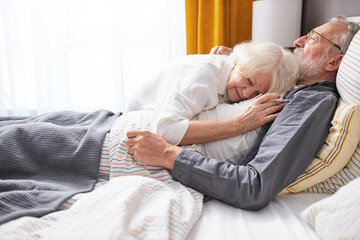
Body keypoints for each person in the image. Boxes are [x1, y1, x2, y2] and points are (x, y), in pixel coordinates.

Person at [125, 16, 360, 210]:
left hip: (143, 144)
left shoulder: (312, 101)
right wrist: (235, 64)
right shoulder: (294, 87)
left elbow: (253, 186)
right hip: (133, 126)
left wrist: (168, 154)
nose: (298, 41)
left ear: (332, 63)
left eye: (313, 38)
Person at [147, 42, 298, 163]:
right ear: (241, 62)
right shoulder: (203, 77)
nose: (246, 94)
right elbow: (165, 130)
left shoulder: (232, 73)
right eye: (249, 81)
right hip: (138, 114)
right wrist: (237, 124)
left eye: (257, 94)